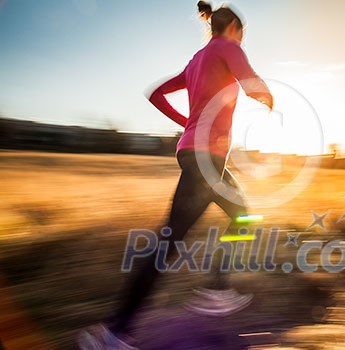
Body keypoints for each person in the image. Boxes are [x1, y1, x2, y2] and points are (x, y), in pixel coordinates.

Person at [78, 1, 273, 349]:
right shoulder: (228, 47)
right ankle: (112, 333)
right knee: (168, 244)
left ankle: (215, 290)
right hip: (206, 159)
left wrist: (187, 125)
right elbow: (252, 86)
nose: (242, 43)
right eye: (242, 37)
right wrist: (268, 97)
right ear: (233, 30)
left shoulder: (196, 59)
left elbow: (155, 94)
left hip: (196, 154)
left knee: (243, 214)